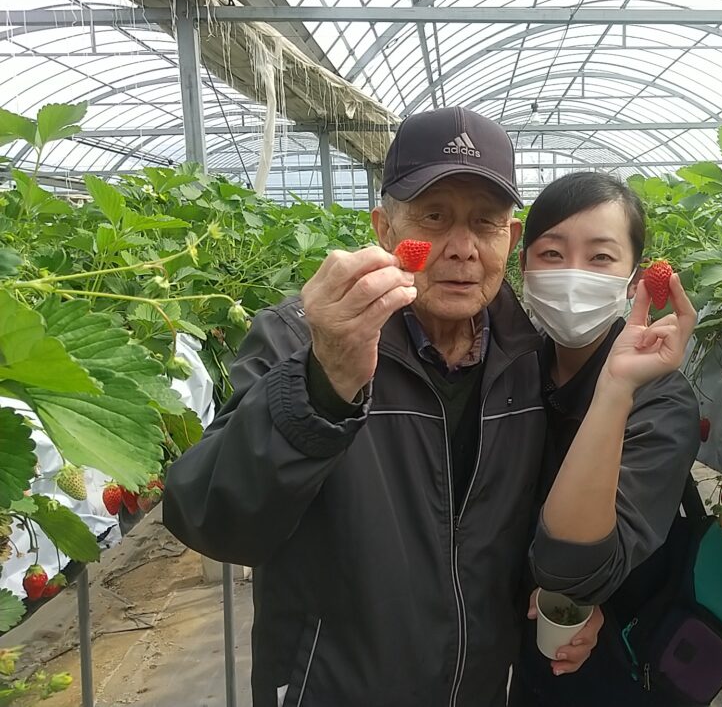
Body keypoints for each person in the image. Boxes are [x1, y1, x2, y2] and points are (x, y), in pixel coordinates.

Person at [162, 107, 602, 707]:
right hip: (333, 688)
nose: (462, 249)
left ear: (511, 237)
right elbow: (210, 519)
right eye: (434, 216)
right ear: (384, 229)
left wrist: (570, 600)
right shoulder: (302, 338)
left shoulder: (529, 358)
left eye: (485, 222)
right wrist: (323, 384)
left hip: (478, 687)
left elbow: (535, 522)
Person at [507, 172, 701, 706]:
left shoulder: (661, 401)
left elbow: (575, 571)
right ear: (522, 265)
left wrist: (616, 388)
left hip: (617, 657)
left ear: (634, 278)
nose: (573, 275)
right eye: (552, 254)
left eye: (600, 258)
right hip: (509, 648)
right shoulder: (512, 367)